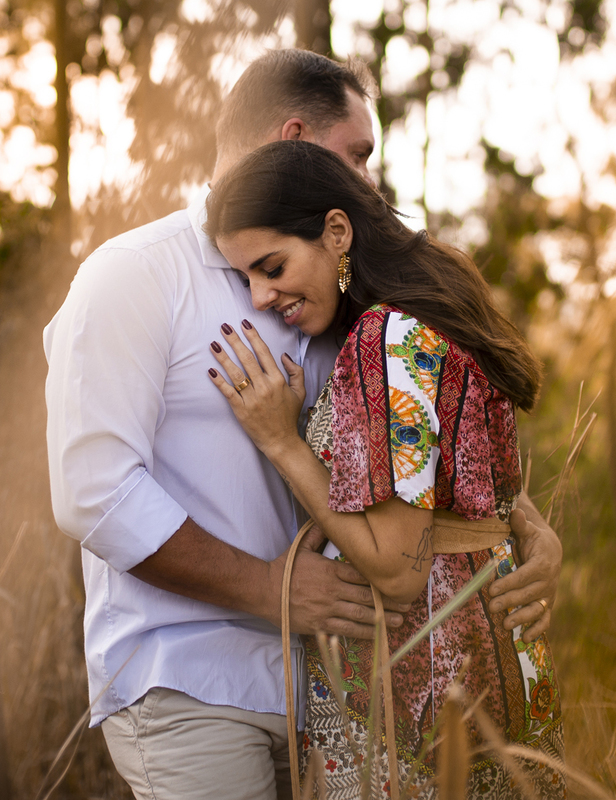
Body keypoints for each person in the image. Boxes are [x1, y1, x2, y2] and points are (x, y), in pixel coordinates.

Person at [44, 49, 563, 800]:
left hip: (345, 688)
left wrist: (524, 533)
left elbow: (414, 445)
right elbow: (93, 494)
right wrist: (274, 591)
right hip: (191, 678)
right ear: (293, 137)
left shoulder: (342, 289)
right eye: (357, 156)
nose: (370, 182)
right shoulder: (131, 276)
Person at [203, 139, 564, 798]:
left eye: (272, 266)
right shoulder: (434, 302)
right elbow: (472, 482)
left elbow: (399, 573)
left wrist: (281, 442)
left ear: (336, 231)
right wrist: (535, 533)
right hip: (500, 685)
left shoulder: (384, 340)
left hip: (418, 699)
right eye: (245, 278)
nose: (258, 297)